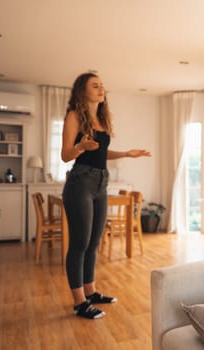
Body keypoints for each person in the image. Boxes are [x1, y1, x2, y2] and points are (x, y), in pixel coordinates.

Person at [61, 72, 151, 319]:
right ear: (83, 91)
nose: (101, 89)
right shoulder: (74, 116)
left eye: (102, 85)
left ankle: (90, 291)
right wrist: (81, 146)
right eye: (95, 85)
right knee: (79, 243)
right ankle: (80, 302)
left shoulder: (100, 119)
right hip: (80, 181)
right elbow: (66, 154)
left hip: (101, 181)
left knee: (94, 242)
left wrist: (126, 154)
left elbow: (100, 152)